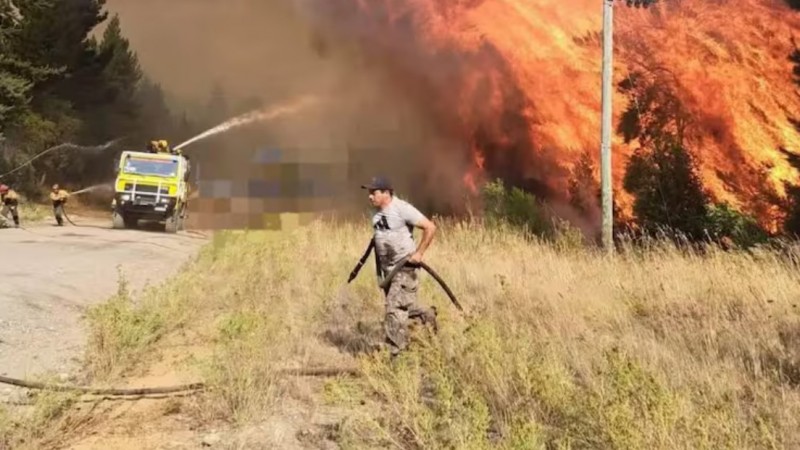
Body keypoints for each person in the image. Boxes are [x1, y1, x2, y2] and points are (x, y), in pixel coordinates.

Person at [361, 176, 438, 358]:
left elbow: (430, 227)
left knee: (394, 309)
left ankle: (396, 356)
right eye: (369, 193)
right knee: (404, 308)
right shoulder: (378, 214)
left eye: (374, 192)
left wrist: (418, 254)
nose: (370, 196)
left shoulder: (402, 208)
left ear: (386, 193)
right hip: (389, 272)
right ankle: (426, 315)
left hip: (404, 269)